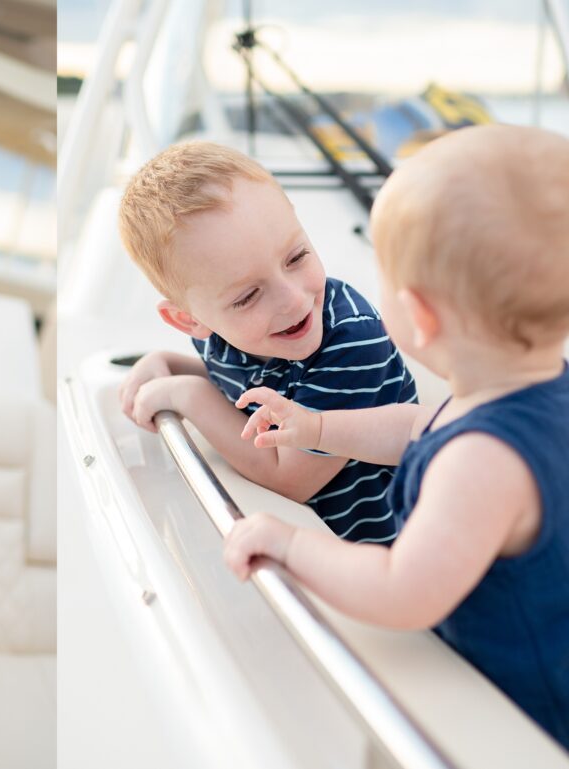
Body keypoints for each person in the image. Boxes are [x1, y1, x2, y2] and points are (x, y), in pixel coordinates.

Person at [223, 124, 569, 748]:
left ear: (422, 316)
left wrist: (290, 545)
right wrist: (317, 426)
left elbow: (402, 591)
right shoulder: (532, 388)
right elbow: (419, 425)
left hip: (518, 719)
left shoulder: (483, 462)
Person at [118, 142, 416, 543]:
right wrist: (168, 363)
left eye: (296, 258)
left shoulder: (352, 342)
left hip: (391, 554)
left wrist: (189, 395)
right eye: (247, 296)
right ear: (190, 320)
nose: (293, 299)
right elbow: (245, 385)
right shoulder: (228, 336)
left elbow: (289, 477)